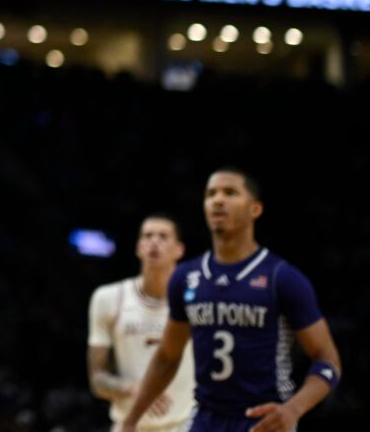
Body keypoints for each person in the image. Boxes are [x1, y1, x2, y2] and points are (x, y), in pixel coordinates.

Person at [119, 170, 345, 432]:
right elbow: (168, 357)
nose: (218, 200)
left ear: (255, 209)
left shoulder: (281, 278)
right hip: (206, 419)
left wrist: (293, 409)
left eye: (230, 193)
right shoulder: (186, 276)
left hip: (265, 419)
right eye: (210, 194)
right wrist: (130, 420)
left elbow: (328, 362)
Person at [87, 216, 194, 432]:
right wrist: (136, 389)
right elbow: (97, 379)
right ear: (138, 247)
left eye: (163, 237)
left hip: (184, 425)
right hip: (129, 426)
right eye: (147, 236)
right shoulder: (108, 298)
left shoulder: (196, 302)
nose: (154, 242)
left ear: (179, 250)